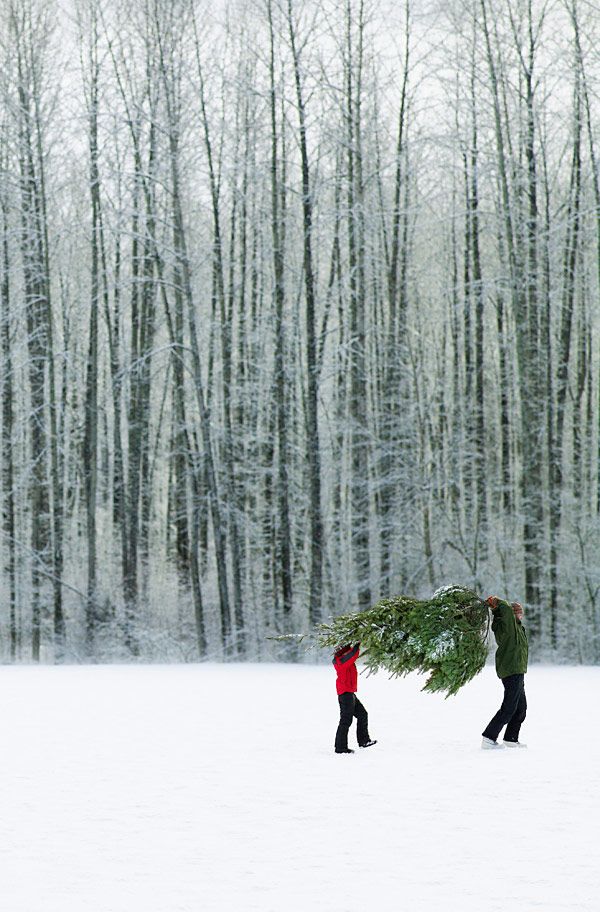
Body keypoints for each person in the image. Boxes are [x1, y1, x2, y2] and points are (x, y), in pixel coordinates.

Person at [481, 596, 528, 750]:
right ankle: (489, 738)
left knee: (521, 708)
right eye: (518, 613)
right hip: (511, 670)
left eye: (521, 613)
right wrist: (497, 603)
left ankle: (511, 738)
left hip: (518, 670)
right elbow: (506, 610)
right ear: (512, 614)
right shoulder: (508, 626)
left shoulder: (518, 627)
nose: (521, 615)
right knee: (509, 708)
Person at [333, 643, 377, 754]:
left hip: (349, 692)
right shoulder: (341, 660)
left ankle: (364, 741)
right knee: (346, 720)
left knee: (362, 714)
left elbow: (350, 652)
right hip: (345, 693)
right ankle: (340, 748)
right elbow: (353, 654)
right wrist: (358, 642)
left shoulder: (342, 658)